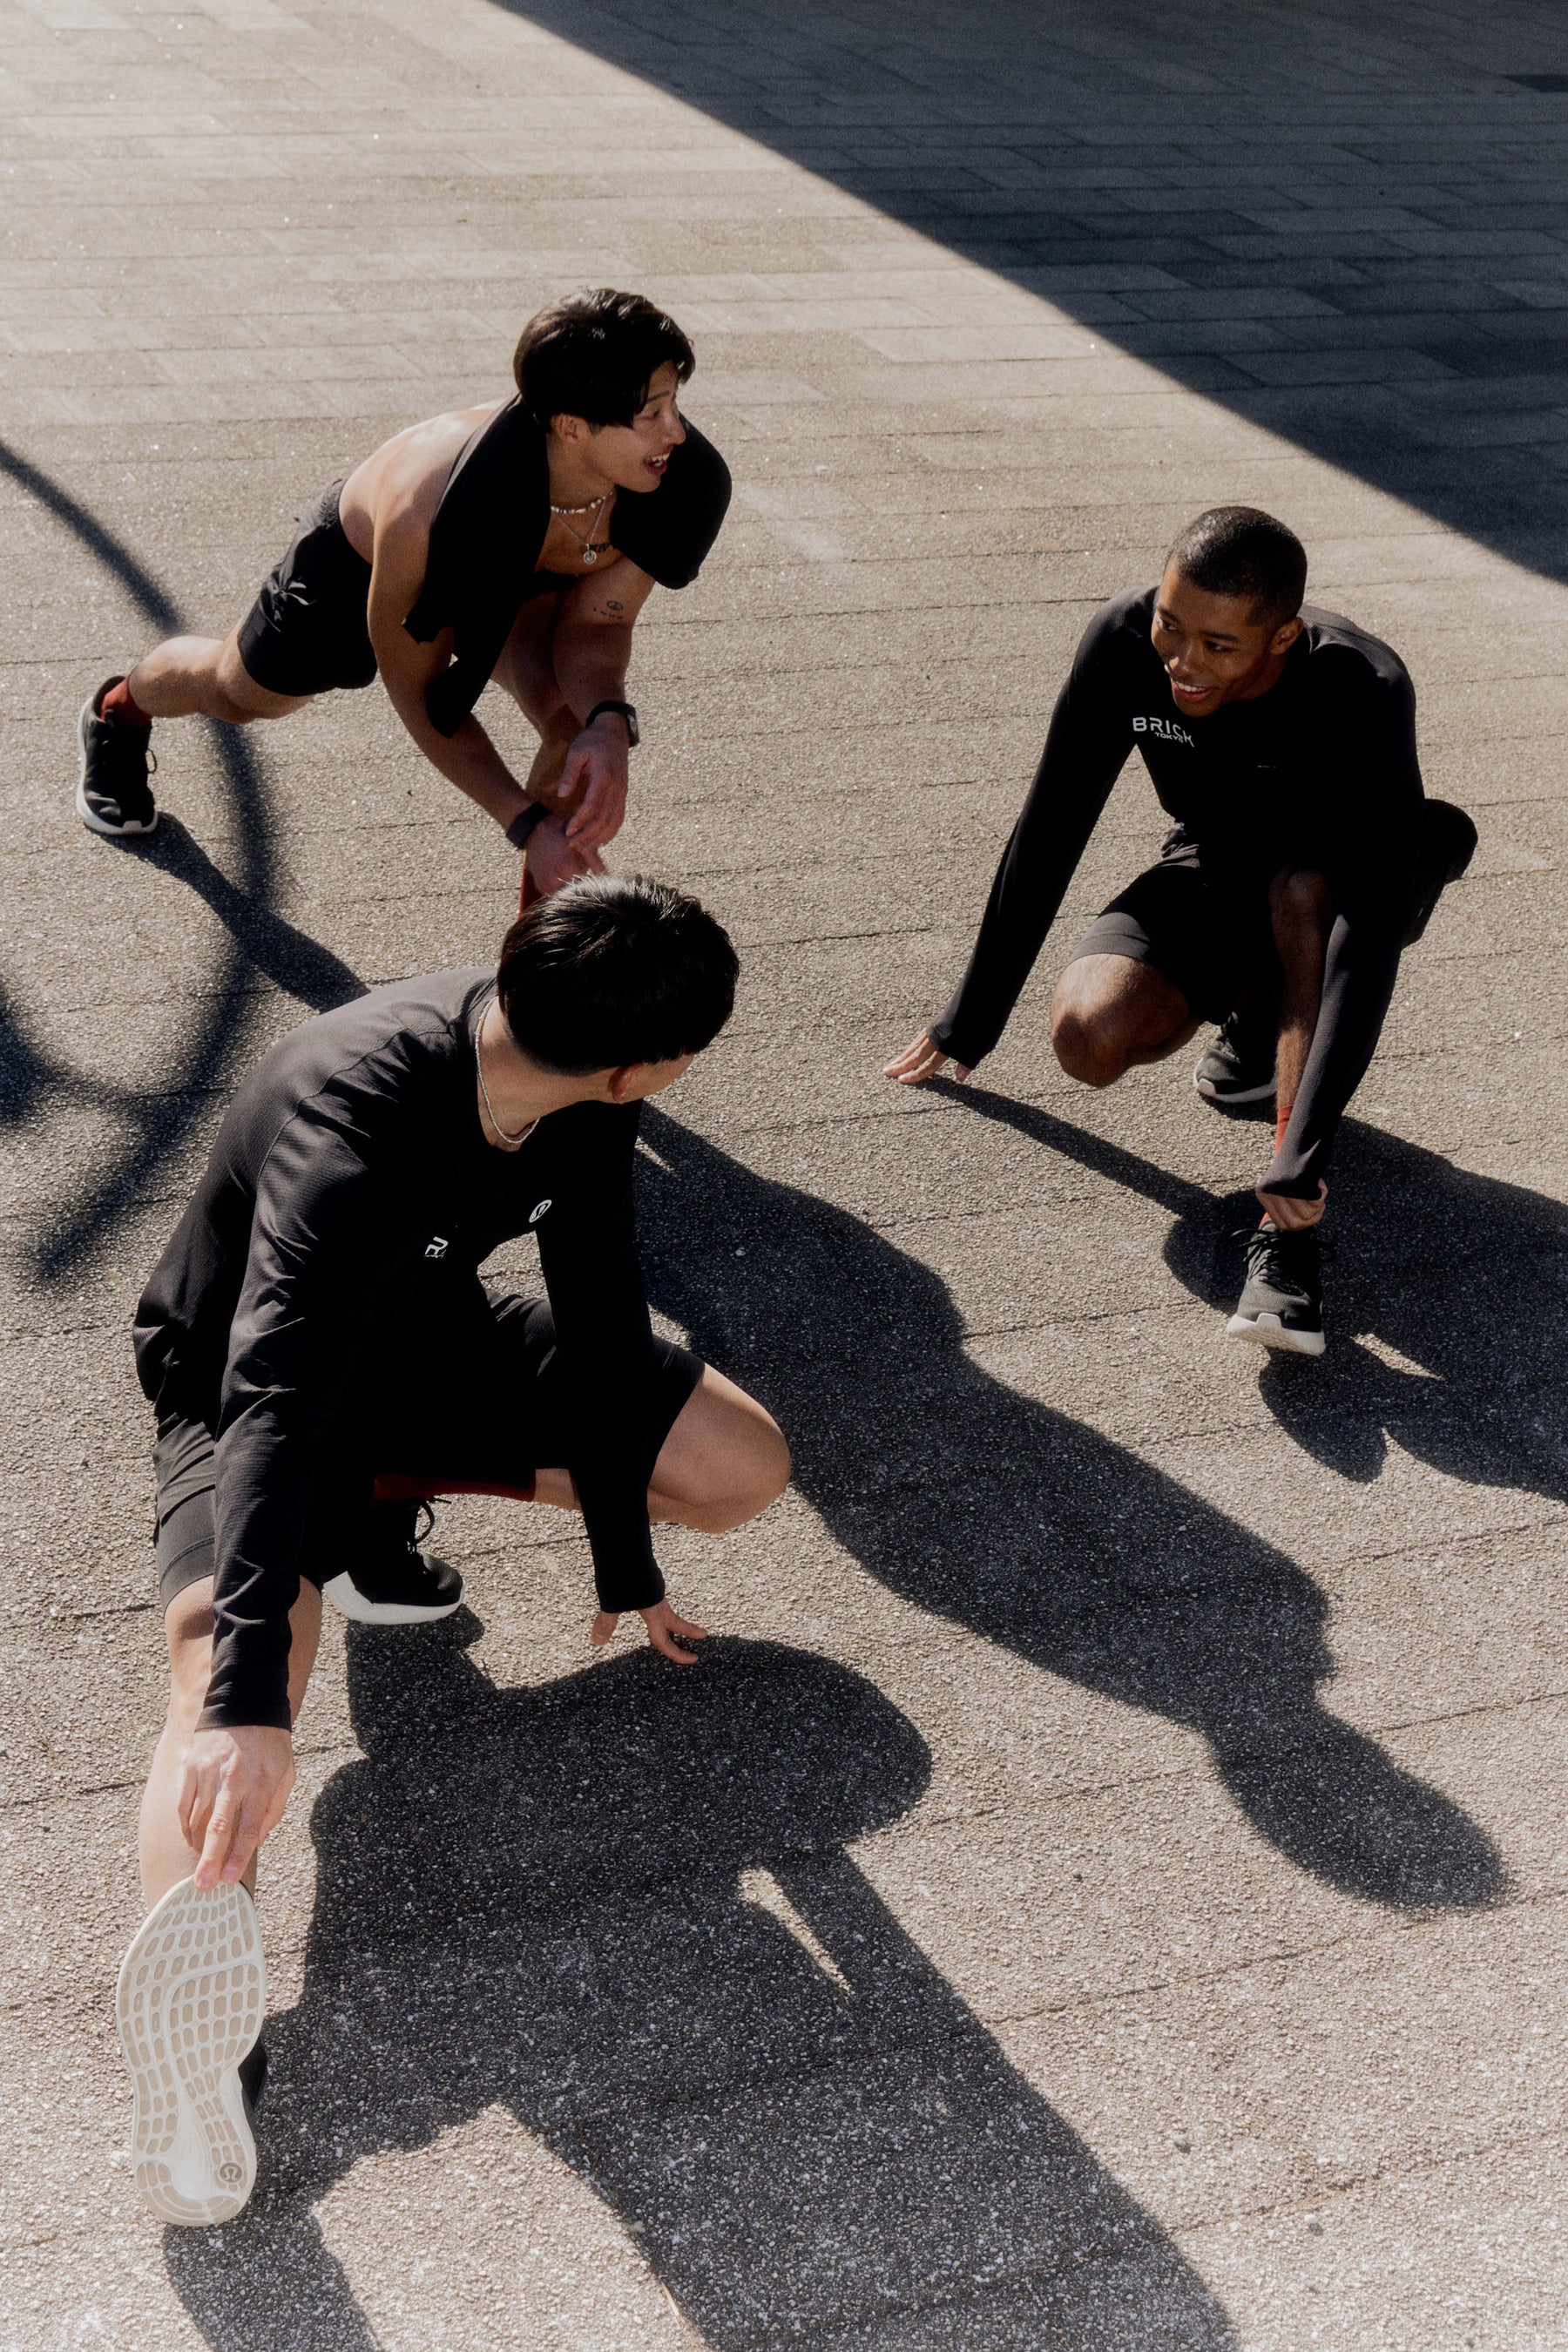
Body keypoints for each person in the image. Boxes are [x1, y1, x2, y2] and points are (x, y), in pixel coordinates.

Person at [115, 875, 790, 2227]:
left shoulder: (580, 1089)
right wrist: (249, 1704)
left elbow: (600, 1313)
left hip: (427, 1347)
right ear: (642, 1065)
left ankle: (378, 1513)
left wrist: (625, 1559)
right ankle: (198, 2062)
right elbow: (273, 1401)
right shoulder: (351, 1121)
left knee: (739, 1467)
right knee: (226, 1669)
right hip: (250, 1388)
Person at [885, 507, 1476, 1355]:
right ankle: (1256, 1028)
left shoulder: (1361, 686)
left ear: (1281, 638)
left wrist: (1303, 1152)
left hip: (1345, 869)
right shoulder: (1125, 641)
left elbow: (1364, 939)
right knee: (1088, 1038)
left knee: (1303, 894)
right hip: (1216, 856)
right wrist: (972, 1015)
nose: (1183, 663)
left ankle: (1288, 1245)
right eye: (1172, 626)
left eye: (1218, 646)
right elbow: (1052, 824)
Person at [75, 289, 731, 904]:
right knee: (238, 696)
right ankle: (119, 710)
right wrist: (524, 821)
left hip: (522, 573)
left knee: (575, 727)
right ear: (570, 427)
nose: (675, 431)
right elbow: (421, 696)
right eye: (651, 415)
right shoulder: (428, 512)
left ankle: (539, 964)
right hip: (366, 564)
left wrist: (609, 719)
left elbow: (595, 625)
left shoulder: (683, 481)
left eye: (674, 404)